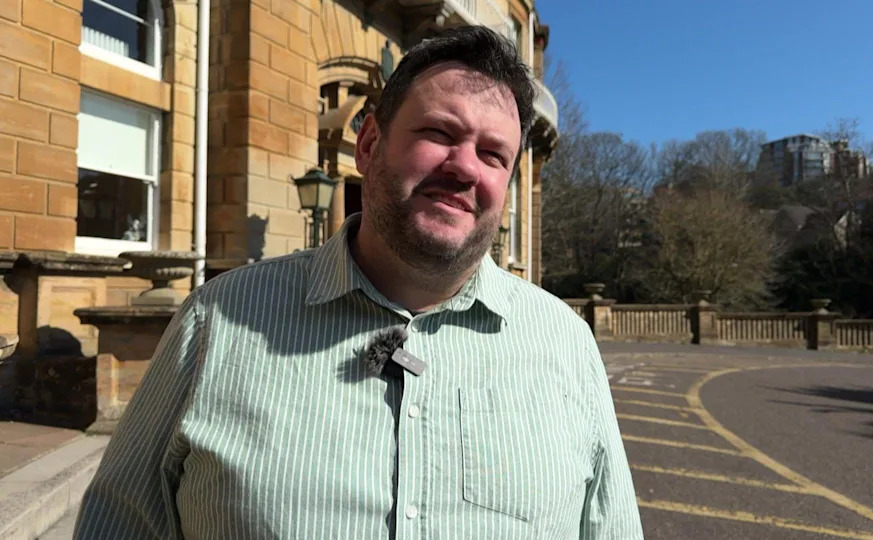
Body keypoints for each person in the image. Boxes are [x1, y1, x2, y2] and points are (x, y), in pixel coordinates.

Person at [75, 25, 643, 539]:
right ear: (368, 146)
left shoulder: (565, 345)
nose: (466, 167)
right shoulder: (216, 321)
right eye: (440, 132)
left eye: (493, 154)